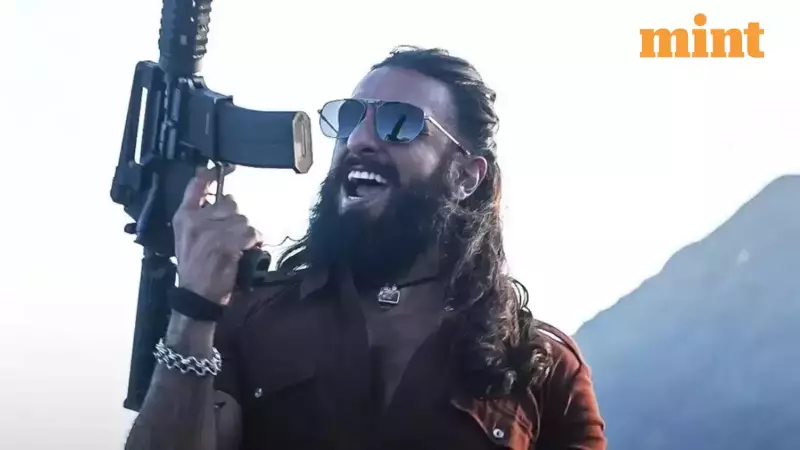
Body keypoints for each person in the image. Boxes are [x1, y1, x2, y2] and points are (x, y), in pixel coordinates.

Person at [124, 46, 606, 450]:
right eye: (350, 118)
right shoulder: (248, 314)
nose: (360, 139)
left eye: (399, 123)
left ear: (465, 176)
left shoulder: (541, 365)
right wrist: (194, 309)